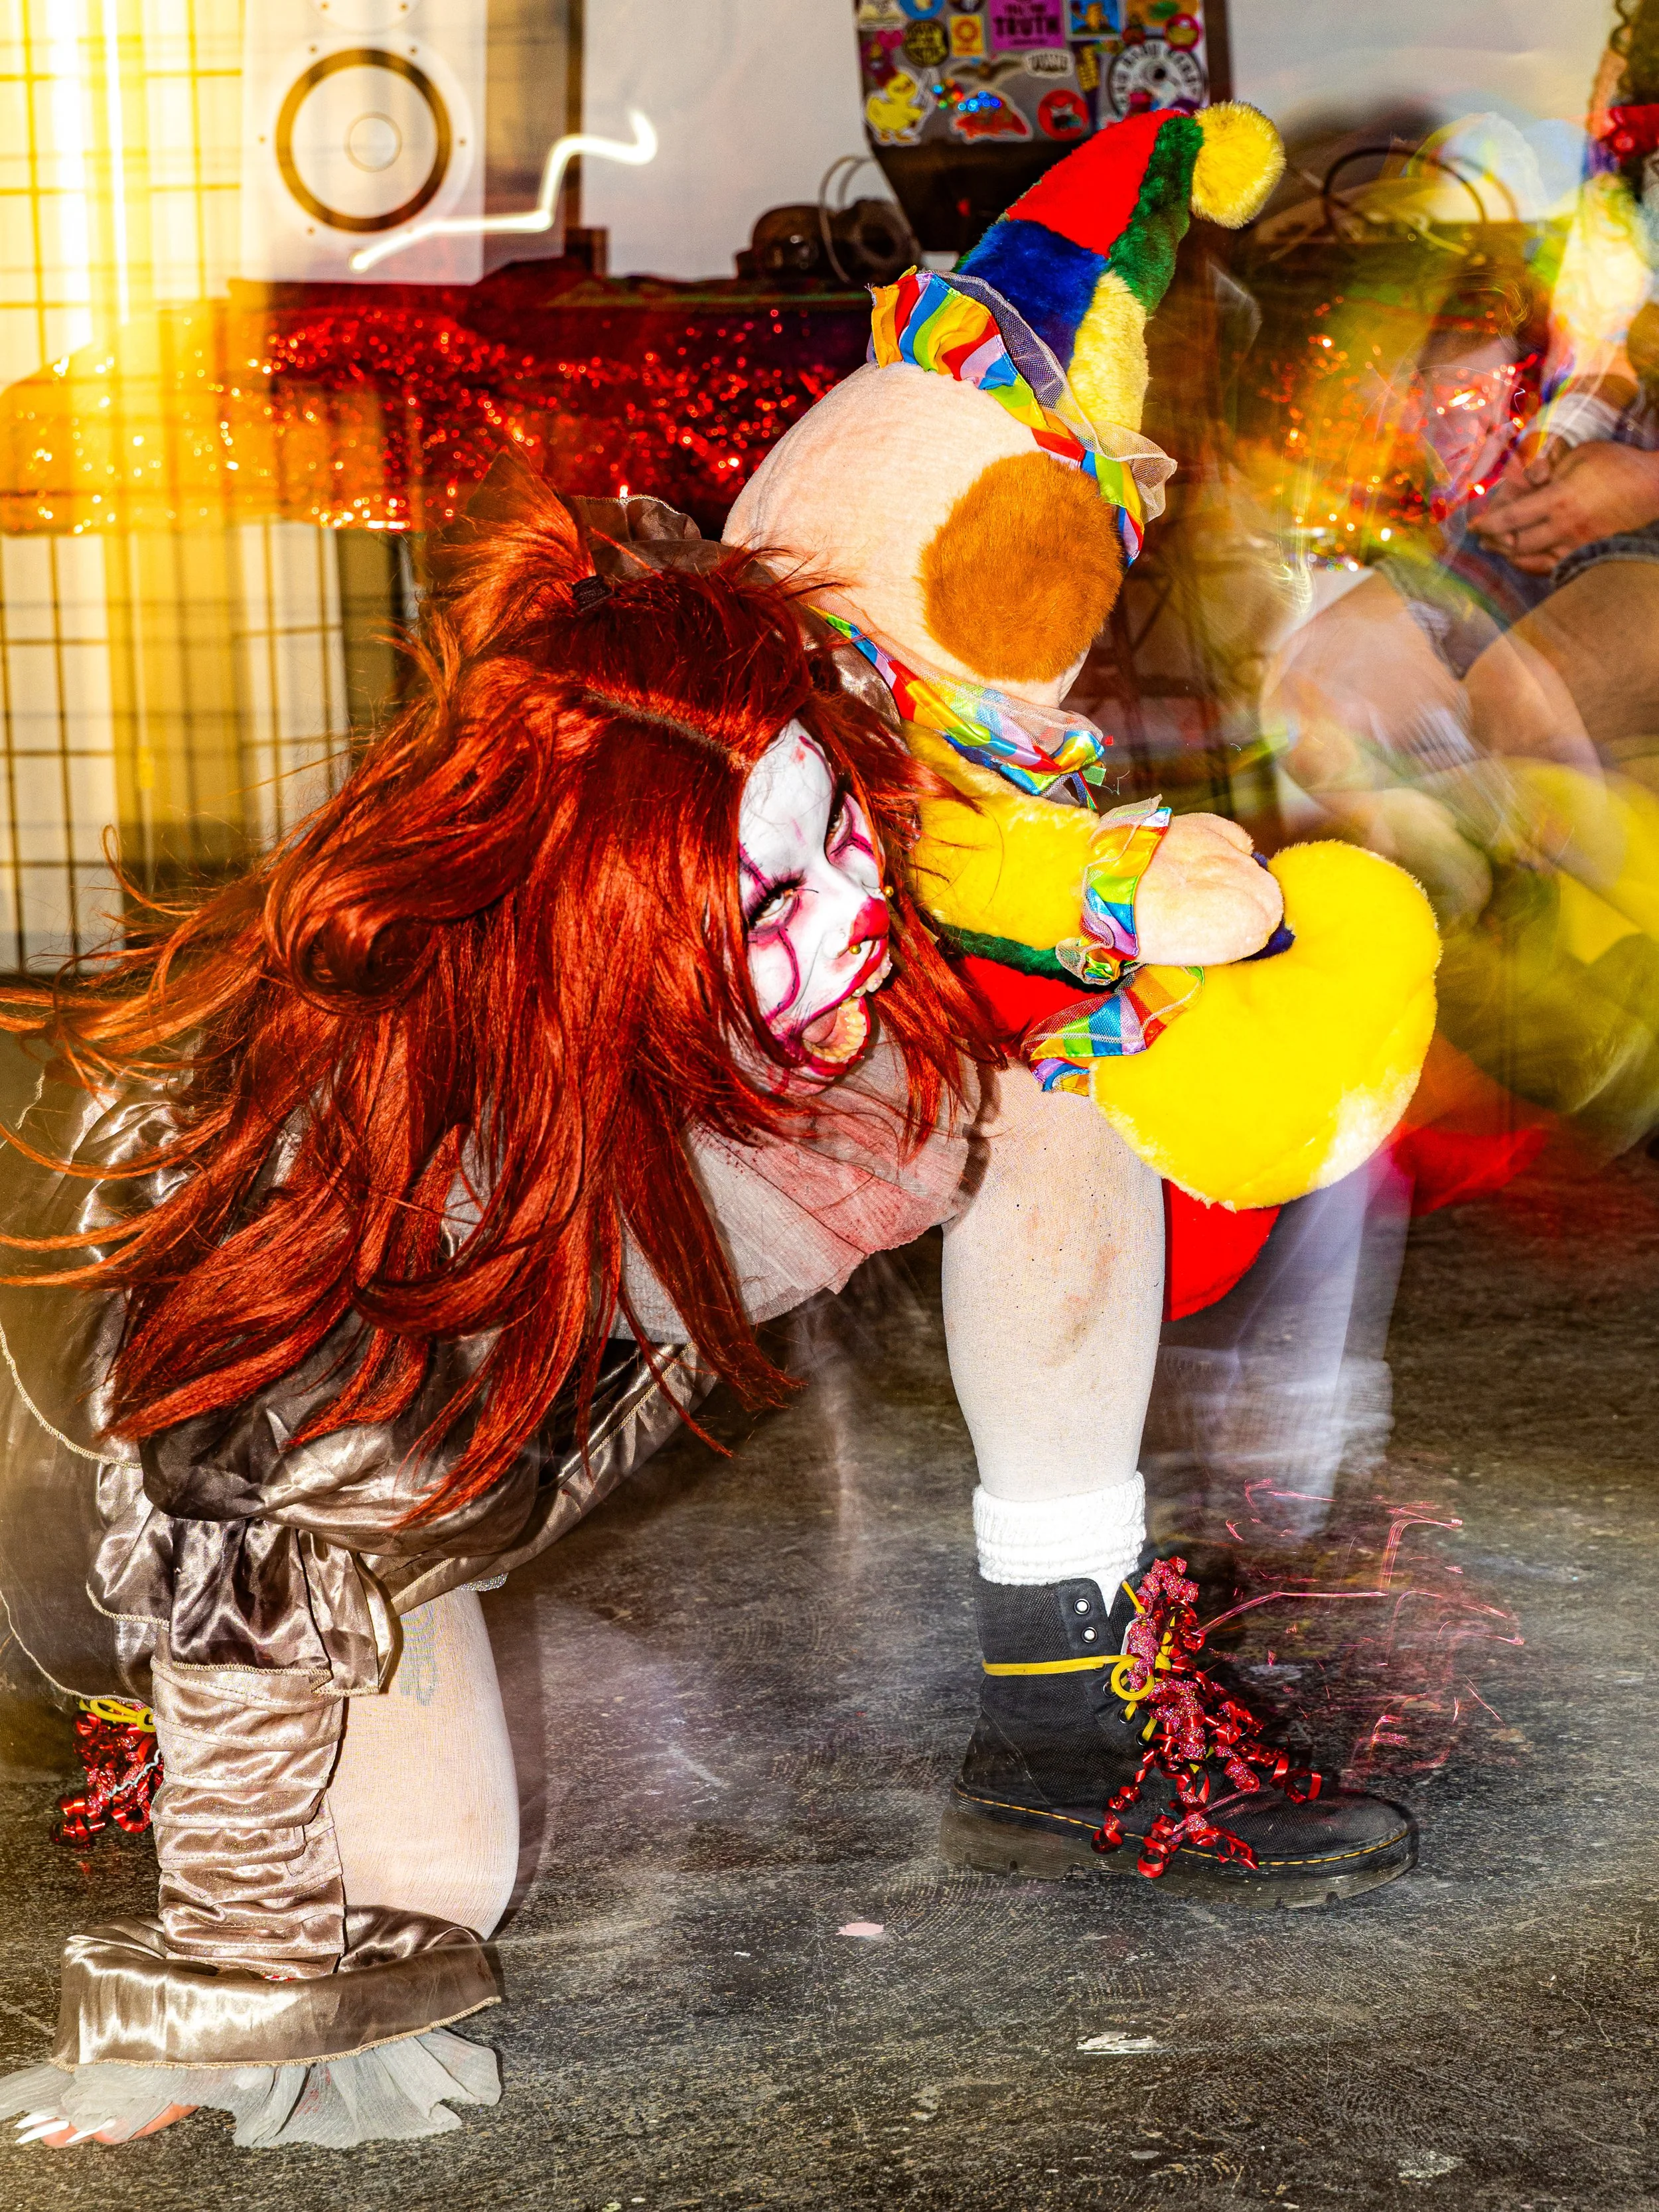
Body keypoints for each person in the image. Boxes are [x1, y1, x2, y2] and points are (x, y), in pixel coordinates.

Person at [0, 470, 1411, 2156]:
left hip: (491, 1305)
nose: (850, 913)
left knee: (1049, 1076)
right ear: (621, 939)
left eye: (842, 839)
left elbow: (948, 935)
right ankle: (132, 1741)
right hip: (131, 1514)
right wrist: (235, 1972)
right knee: (429, 1894)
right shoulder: (366, 1223)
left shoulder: (760, 935)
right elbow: (234, 1543)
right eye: (776, 896)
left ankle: (1060, 1689)